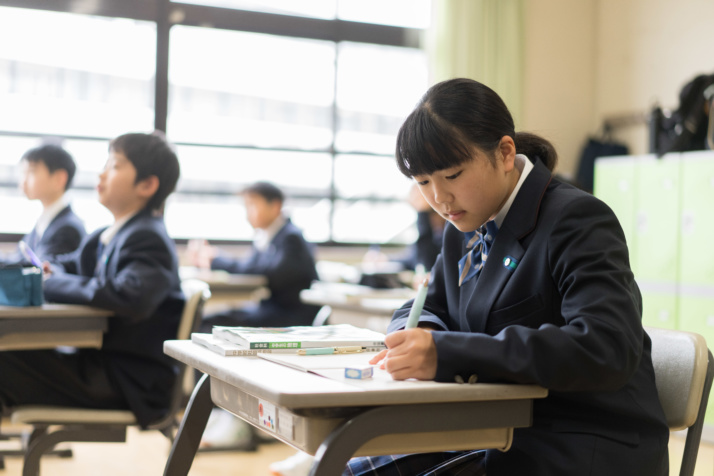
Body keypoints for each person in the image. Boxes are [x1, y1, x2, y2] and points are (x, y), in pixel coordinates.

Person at [344, 78, 669, 475]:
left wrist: (445, 353)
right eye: (423, 182)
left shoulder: (575, 218)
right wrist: (420, 336)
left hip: (578, 443)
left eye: (453, 175)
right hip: (496, 432)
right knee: (347, 468)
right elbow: (425, 304)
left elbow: (606, 346)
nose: (440, 199)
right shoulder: (461, 228)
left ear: (504, 152)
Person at [0, 132, 184, 429]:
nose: (101, 173)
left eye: (114, 165)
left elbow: (130, 296)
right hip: (104, 366)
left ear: (148, 185)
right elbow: (66, 265)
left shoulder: (147, 237)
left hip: (124, 380)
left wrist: (48, 282)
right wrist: (46, 271)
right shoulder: (108, 235)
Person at [190, 181, 320, 329]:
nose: (248, 214)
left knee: (212, 323)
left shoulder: (291, 238)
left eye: (253, 206)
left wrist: (216, 259)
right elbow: (249, 267)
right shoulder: (266, 236)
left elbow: (266, 272)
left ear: (275, 206)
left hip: (291, 315)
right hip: (271, 308)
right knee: (210, 319)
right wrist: (214, 258)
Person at [1, 144, 85, 265]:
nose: (23, 180)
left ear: (59, 179)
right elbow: (18, 257)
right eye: (23, 173)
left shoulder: (68, 228)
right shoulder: (46, 220)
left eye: (31, 172)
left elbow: (38, 267)